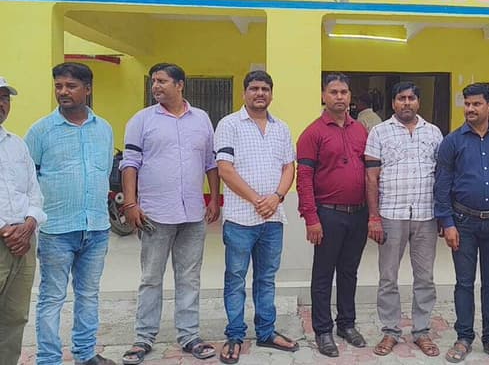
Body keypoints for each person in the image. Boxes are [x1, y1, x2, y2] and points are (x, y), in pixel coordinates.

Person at [120, 63, 220, 365]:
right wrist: (130, 204)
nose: (156, 87)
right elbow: (130, 163)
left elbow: (210, 162)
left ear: (180, 84)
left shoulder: (201, 118)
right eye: (154, 81)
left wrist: (215, 199)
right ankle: (143, 338)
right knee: (151, 278)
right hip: (154, 214)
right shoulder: (141, 120)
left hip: (193, 213)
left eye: (162, 81)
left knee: (189, 277)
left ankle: (189, 336)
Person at [25, 63, 116, 365]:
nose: (63, 91)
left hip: (96, 228)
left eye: (71, 86)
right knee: (52, 298)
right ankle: (48, 359)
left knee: (88, 295)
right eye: (59, 86)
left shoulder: (103, 129)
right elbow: (28, 180)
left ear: (87, 89)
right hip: (56, 231)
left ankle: (85, 355)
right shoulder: (40, 131)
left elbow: (103, 171)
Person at [434, 84, 489, 364]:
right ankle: (463, 338)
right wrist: (447, 223)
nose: (470, 109)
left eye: (476, 104)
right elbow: (442, 185)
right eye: (467, 104)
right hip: (463, 222)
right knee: (464, 283)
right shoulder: (452, 142)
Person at [214, 70, 298, 363]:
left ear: (271, 94)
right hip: (240, 219)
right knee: (236, 278)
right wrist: (256, 200)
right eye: (254, 88)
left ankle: (266, 332)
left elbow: (289, 167)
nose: (260, 93)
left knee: (266, 278)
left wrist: (276, 197)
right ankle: (235, 335)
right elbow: (225, 169)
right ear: (244, 93)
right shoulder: (229, 124)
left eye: (265, 88)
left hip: (273, 219)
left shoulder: (281, 128)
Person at [365, 82, 444, 357]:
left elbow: (442, 175)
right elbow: (371, 178)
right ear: (393, 103)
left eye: (411, 98)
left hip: (426, 214)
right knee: (388, 277)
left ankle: (421, 331)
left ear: (418, 102)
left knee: (425, 278)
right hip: (391, 214)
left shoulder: (434, 133)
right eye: (401, 98)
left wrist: (443, 215)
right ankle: (390, 331)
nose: (406, 103)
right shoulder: (379, 132)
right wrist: (374, 217)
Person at [296, 73, 369, 358]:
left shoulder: (360, 130)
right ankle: (323, 330)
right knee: (324, 274)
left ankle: (346, 324)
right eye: (334, 92)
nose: (339, 96)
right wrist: (311, 218)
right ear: (323, 96)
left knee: (349, 271)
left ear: (350, 96)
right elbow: (304, 179)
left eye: (344, 92)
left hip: (358, 213)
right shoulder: (313, 133)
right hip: (327, 214)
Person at [0, 77, 46, 365]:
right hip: (5, 238)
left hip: (24, 243)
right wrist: (6, 229)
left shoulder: (16, 145)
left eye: (5, 98)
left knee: (15, 316)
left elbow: (34, 192)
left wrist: (29, 224)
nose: (1, 104)